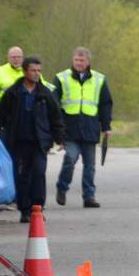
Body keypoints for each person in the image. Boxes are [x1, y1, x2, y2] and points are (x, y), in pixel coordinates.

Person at [0, 56, 65, 223]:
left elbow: (55, 117)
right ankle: (25, 210)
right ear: (25, 71)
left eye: (39, 70)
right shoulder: (13, 93)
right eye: (33, 70)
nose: (36, 73)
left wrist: (60, 138)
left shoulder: (45, 94)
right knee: (22, 177)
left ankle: (37, 208)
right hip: (18, 142)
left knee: (39, 174)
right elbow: (0, 115)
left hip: (39, 143)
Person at [54, 47, 113, 208]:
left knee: (90, 166)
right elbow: (54, 104)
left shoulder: (99, 79)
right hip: (69, 129)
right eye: (76, 60)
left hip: (90, 128)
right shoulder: (61, 78)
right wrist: (57, 129)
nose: (79, 63)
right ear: (72, 60)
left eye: (82, 60)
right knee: (70, 159)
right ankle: (62, 187)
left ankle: (89, 196)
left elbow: (105, 105)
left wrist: (106, 126)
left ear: (88, 62)